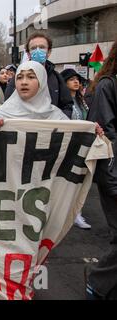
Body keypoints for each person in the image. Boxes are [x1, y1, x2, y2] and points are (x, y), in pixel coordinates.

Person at [86, 40, 117, 300]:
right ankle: (97, 284)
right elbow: (105, 137)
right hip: (114, 174)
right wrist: (112, 179)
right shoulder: (108, 86)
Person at [5, 32, 73, 118]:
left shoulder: (56, 78)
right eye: (33, 48)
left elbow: (67, 105)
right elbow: (8, 104)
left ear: (49, 52)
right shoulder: (18, 78)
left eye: (42, 47)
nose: (37, 51)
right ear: (28, 53)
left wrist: (59, 123)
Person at [61, 68, 92, 229]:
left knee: (79, 181)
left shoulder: (82, 102)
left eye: (77, 79)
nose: (76, 82)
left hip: (82, 145)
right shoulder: (62, 103)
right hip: (67, 146)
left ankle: (76, 213)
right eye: (71, 79)